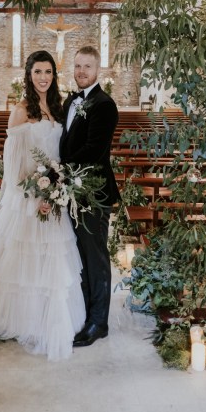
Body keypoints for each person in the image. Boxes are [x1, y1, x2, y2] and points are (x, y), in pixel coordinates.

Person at [0, 50, 85, 361]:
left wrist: (58, 188)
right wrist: (37, 195)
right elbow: (14, 167)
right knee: (26, 260)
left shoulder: (61, 108)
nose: (43, 77)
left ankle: (52, 317)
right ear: (29, 75)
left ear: (54, 74)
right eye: (38, 72)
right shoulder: (21, 111)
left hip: (55, 196)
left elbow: (62, 155)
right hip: (31, 198)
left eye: (48, 72)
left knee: (54, 261)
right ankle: (26, 319)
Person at [59, 45, 120, 347]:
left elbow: (94, 151)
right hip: (70, 192)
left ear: (98, 71)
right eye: (78, 66)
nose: (81, 72)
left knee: (95, 257)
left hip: (93, 192)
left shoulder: (104, 104)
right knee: (79, 255)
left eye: (87, 67)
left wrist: (59, 170)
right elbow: (65, 141)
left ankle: (99, 322)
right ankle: (85, 314)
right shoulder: (71, 100)